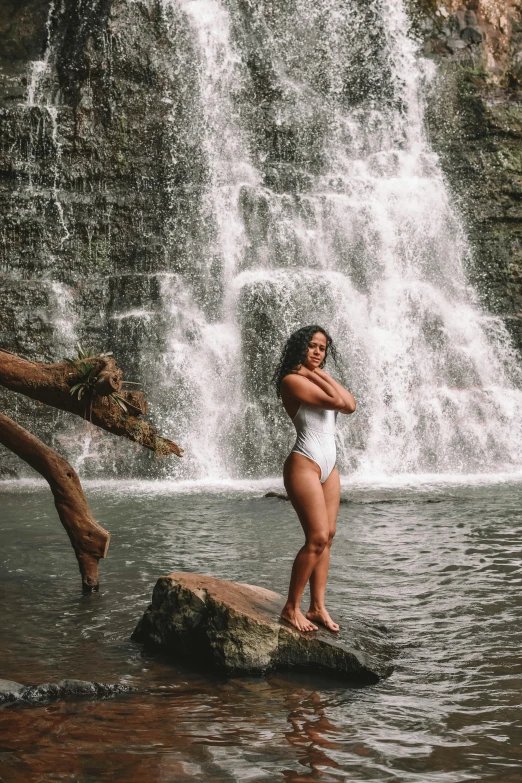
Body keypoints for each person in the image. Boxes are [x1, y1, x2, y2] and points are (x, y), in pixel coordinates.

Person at [273, 325, 356, 633]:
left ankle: (317, 607)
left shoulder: (313, 377)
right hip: (304, 464)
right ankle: (290, 608)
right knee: (317, 538)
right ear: (299, 348)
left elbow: (351, 404)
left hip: (329, 467)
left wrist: (317, 372)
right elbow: (338, 403)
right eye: (311, 346)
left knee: (329, 536)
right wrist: (310, 374)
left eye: (322, 347)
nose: (318, 351)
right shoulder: (291, 381)